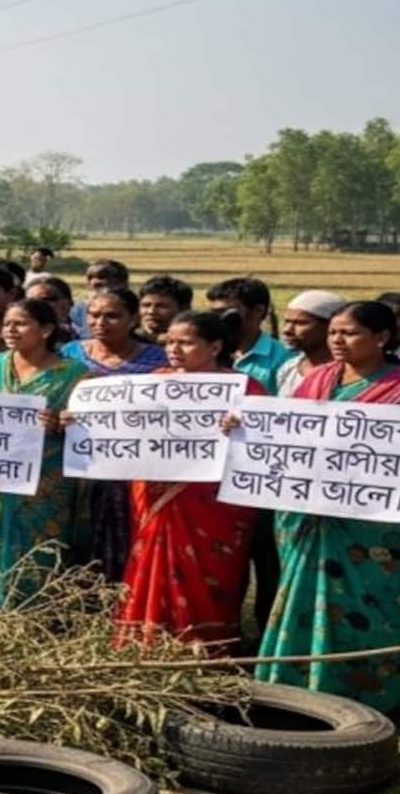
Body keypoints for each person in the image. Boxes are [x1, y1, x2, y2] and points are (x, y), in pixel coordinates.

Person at [259, 301, 400, 711]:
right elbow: (286, 434)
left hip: (371, 523)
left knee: (369, 601)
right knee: (300, 592)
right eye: (333, 333)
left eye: (349, 333)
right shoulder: (316, 379)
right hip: (307, 514)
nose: (337, 341)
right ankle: (293, 683)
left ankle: (364, 695)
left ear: (382, 338)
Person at [113, 311, 263, 649]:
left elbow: (265, 444)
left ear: (214, 346)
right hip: (157, 493)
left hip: (214, 503)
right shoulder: (153, 382)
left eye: (186, 342)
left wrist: (242, 426)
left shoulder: (245, 388)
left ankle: (206, 647)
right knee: (151, 561)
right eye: (169, 342)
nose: (174, 349)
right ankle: (146, 644)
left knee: (210, 575)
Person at [0, 298, 87, 616]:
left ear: (46, 330)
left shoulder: (75, 375)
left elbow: (88, 432)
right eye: (8, 323)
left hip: (44, 482)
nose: (11, 330)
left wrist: (60, 422)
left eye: (21, 323)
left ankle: (30, 619)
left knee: (35, 546)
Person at [62, 286, 166, 580]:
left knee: (128, 538)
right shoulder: (69, 355)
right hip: (80, 467)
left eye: (112, 316)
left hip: (135, 469)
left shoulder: (158, 361)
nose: (100, 323)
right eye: (93, 315)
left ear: (133, 319)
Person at [206, 277, 292, 394]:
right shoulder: (205, 353)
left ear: (258, 310)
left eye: (227, 312)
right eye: (213, 313)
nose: (218, 318)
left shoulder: (284, 359)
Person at [275, 290, 344, 397]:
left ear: (330, 327)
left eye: (301, 323)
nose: (287, 330)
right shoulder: (289, 369)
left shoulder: (346, 374)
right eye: (287, 322)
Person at [70, 259, 129, 331]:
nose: (95, 282)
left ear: (121, 283)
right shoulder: (80, 308)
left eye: (102, 277)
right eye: (90, 278)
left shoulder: (131, 306)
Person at [137, 276, 192, 343]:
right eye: (146, 305)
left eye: (161, 306)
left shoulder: (197, 345)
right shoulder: (127, 342)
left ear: (183, 309)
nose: (151, 311)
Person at [25, 275, 78, 341]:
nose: (33, 306)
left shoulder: (82, 343)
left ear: (66, 305)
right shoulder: (17, 340)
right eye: (28, 301)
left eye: (43, 300)